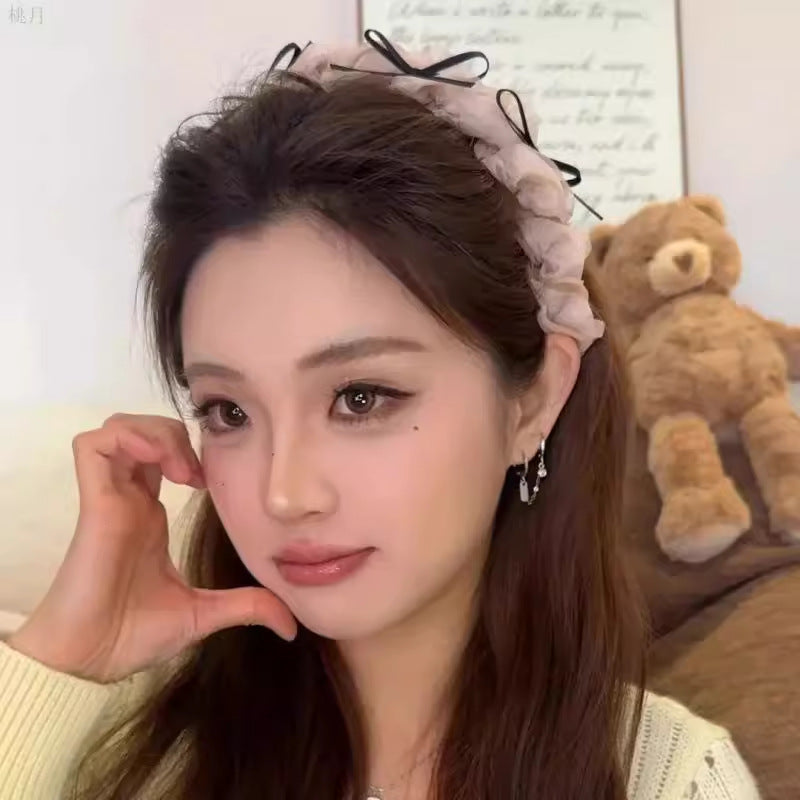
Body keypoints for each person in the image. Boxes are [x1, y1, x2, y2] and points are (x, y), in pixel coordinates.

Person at [0, 30, 759, 800]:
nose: (284, 495)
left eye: (360, 398)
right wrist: (63, 653)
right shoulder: (125, 748)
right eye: (228, 410)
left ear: (533, 399)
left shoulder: (670, 780)